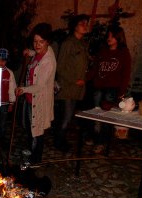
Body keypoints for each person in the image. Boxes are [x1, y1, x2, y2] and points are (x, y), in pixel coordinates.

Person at [15, 23, 57, 164]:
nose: (37, 45)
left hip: (38, 100)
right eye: (35, 41)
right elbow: (37, 53)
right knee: (28, 125)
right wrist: (31, 52)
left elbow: (39, 86)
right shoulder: (43, 51)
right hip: (30, 98)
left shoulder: (48, 62)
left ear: (48, 42)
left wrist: (23, 89)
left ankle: (35, 160)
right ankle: (31, 149)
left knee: (37, 131)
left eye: (41, 42)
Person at [87, 26, 132, 153]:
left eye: (112, 36)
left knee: (105, 117)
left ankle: (101, 141)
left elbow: (126, 74)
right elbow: (94, 69)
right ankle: (94, 136)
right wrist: (84, 79)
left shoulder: (124, 53)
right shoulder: (102, 51)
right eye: (108, 36)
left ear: (118, 38)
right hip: (98, 87)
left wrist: (122, 91)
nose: (109, 38)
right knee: (96, 114)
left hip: (112, 89)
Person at [54, 14, 90, 152]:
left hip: (77, 89)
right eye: (82, 24)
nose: (85, 26)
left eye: (86, 23)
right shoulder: (68, 43)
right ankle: (59, 142)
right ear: (75, 26)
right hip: (67, 87)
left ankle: (62, 140)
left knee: (68, 117)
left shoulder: (82, 44)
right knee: (65, 117)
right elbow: (60, 66)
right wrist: (74, 80)